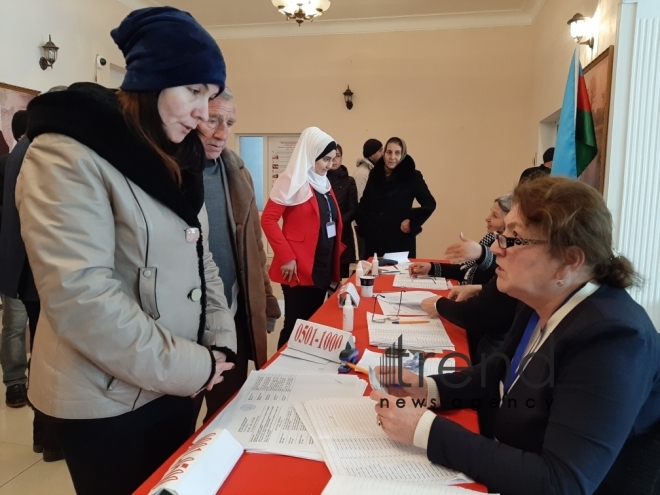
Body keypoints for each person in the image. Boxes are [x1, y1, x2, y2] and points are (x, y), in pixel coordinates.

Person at [18, 8, 237, 494]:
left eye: (211, 94)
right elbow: (82, 297)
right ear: (150, 83)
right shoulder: (67, 152)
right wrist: (194, 366)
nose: (205, 112)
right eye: (193, 91)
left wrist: (218, 341)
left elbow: (203, 262)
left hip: (177, 385)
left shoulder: (177, 157)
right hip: (105, 400)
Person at [372, 176, 660, 495]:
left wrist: (423, 429)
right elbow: (501, 372)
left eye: (513, 237)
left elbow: (560, 483)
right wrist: (427, 388)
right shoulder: (540, 297)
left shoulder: (614, 339)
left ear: (569, 261)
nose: (495, 247)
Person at [194, 87, 281, 423]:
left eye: (229, 122)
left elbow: (254, 248)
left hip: (232, 318)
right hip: (185, 326)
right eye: (212, 120)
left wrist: (266, 299)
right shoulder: (168, 174)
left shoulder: (237, 173)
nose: (221, 133)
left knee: (227, 416)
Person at [261, 127, 343, 348]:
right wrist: (286, 255)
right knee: (296, 327)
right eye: (325, 159)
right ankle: (279, 375)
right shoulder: (292, 180)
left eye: (332, 159)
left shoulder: (323, 183)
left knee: (313, 326)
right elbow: (268, 220)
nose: (329, 165)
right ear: (311, 154)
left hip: (321, 265)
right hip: (298, 267)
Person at [356, 137, 436, 258]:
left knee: (398, 276)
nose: (392, 157)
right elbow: (364, 204)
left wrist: (412, 221)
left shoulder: (412, 176)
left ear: (403, 154)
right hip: (374, 242)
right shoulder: (375, 174)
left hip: (400, 242)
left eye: (397, 152)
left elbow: (430, 204)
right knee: (375, 276)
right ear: (384, 153)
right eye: (389, 152)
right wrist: (366, 228)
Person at [409, 194, 511, 285]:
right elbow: (463, 271)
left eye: (495, 216)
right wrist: (430, 268)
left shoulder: (510, 249)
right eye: (490, 213)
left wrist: (481, 253)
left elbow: (493, 266)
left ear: (510, 221)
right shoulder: (490, 238)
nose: (487, 218)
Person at [0, 110, 30, 409]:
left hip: (25, 260)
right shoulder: (8, 163)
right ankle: (14, 381)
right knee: (14, 324)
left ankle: (20, 381)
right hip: (15, 256)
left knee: (16, 324)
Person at [327, 143, 358, 278]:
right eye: (331, 157)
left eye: (337, 156)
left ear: (341, 158)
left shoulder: (349, 181)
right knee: (324, 278)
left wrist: (337, 223)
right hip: (323, 235)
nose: (334, 160)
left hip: (343, 236)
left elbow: (353, 209)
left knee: (339, 281)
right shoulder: (319, 180)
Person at [353, 138, 382, 260]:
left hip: (371, 224)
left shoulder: (372, 171)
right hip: (363, 225)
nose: (383, 154)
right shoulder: (362, 174)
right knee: (366, 259)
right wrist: (366, 224)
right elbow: (360, 202)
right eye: (380, 150)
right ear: (372, 153)